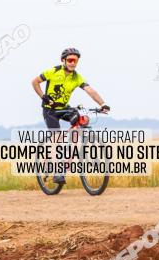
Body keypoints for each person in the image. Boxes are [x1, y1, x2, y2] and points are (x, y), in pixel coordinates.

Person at [31, 48, 109, 183]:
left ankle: (69, 154)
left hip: (64, 108)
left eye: (76, 60)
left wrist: (102, 104)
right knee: (57, 137)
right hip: (50, 110)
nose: (73, 63)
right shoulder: (54, 71)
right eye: (70, 60)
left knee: (81, 120)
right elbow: (35, 82)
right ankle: (56, 171)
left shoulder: (76, 77)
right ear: (64, 61)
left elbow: (90, 90)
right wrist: (43, 96)